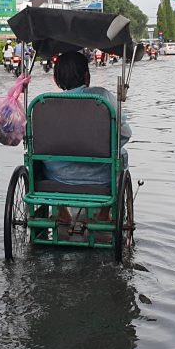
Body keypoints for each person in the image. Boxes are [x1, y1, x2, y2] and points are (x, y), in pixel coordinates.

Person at [43, 51, 132, 228]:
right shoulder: (101, 97)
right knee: (121, 154)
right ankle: (104, 213)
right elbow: (124, 133)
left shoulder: (45, 103)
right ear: (87, 76)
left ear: (56, 79)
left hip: (57, 178)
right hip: (101, 177)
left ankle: (62, 211)